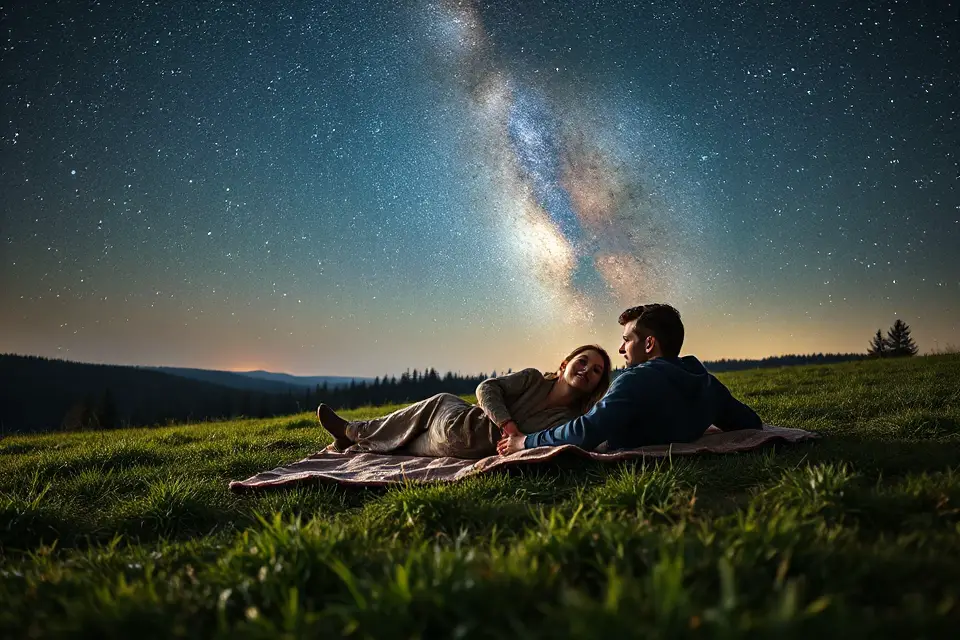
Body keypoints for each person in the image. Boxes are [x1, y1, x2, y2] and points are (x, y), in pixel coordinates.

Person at [497, 304, 762, 455]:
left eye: (626, 340)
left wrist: (525, 442)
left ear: (649, 344)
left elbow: (584, 433)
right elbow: (750, 423)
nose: (621, 350)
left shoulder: (635, 381)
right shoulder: (706, 382)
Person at [317, 344, 612, 459]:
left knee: (400, 445)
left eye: (596, 370)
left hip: (459, 449)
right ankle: (352, 432)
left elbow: (583, 439)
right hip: (460, 423)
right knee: (440, 401)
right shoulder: (533, 379)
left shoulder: (574, 418)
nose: (586, 370)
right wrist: (507, 423)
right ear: (564, 364)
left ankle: (351, 437)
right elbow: (487, 388)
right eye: (582, 361)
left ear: (598, 384)